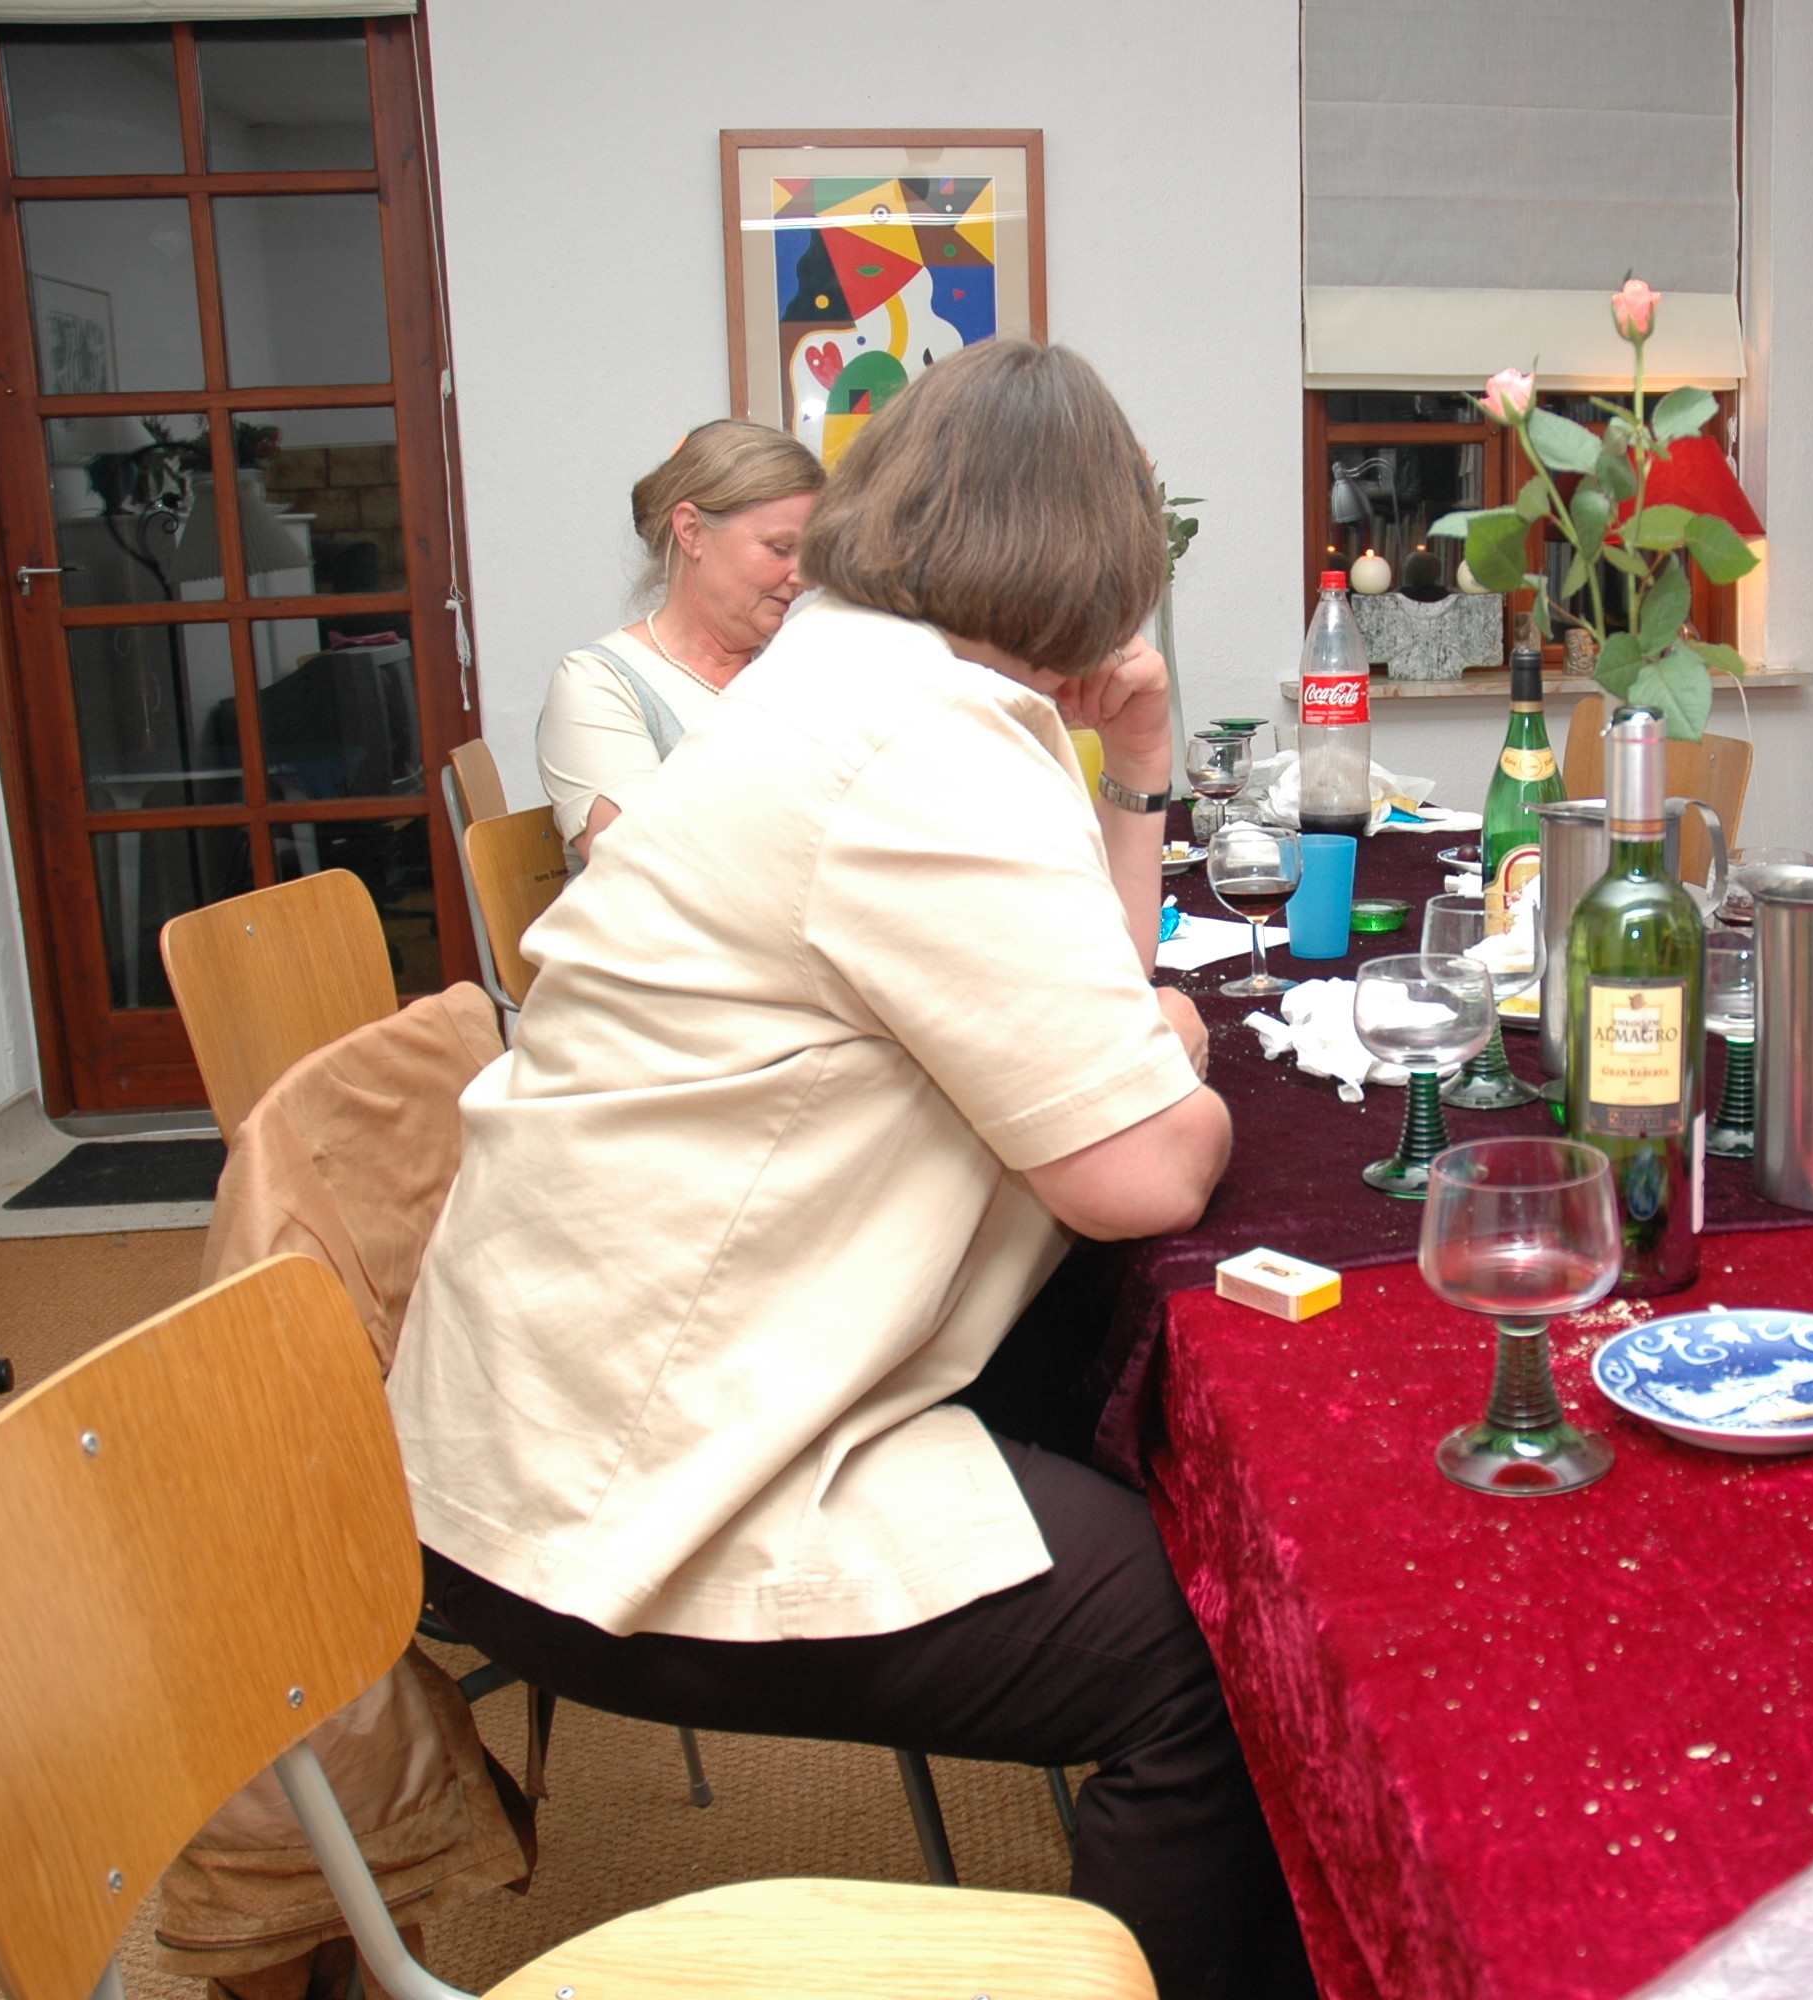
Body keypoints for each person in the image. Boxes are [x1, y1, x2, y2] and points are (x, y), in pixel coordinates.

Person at [384, 339, 1310, 1999]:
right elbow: (1139, 1173)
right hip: (617, 1483)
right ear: (1091, 564)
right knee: (1219, 1664)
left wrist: (1137, 772)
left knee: (1104, 1400)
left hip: (583, 1383)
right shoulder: (918, 747)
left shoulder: (845, 683)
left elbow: (1079, 1002)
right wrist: (1181, 1057)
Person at [535, 419, 823, 859]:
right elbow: (642, 864)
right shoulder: (598, 684)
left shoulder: (802, 673)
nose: (804, 577)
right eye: (780, 549)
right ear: (691, 531)